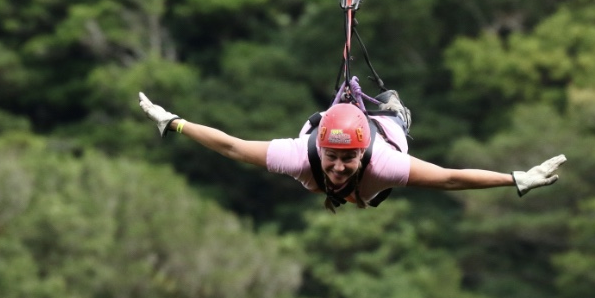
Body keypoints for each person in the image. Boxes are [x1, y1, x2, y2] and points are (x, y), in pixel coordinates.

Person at [138, 89, 565, 211]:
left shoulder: (386, 163)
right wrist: (174, 122)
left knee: (394, 126)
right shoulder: (299, 154)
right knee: (324, 182)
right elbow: (232, 147)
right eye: (333, 157)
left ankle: (394, 110)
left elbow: (451, 178)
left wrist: (515, 179)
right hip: (331, 137)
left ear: (362, 155)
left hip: (386, 136)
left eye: (348, 158)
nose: (340, 166)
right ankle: (378, 107)